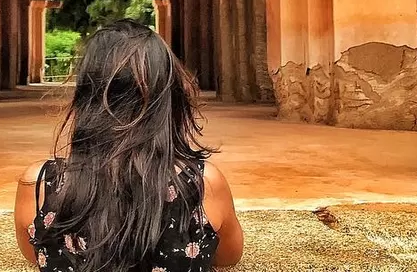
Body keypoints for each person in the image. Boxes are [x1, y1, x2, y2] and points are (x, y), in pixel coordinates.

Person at [14, 20, 244, 271]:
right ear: (169, 98)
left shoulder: (39, 184)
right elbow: (228, 255)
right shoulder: (203, 183)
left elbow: (34, 253)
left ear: (86, 97)